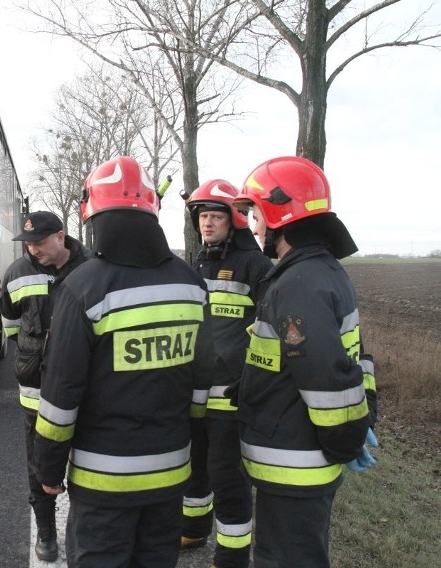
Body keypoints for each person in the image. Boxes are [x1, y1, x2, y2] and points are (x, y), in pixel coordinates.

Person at [33, 156, 214, 567]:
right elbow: (203, 379)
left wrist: (48, 468)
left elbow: (61, 396)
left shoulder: (84, 287)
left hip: (103, 482)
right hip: (170, 472)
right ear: (152, 210)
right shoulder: (191, 284)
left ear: (92, 213)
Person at [231, 156, 379, 567]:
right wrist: (248, 385)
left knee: (285, 559)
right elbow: (349, 356)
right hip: (301, 456)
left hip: (294, 461)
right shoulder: (323, 271)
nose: (254, 225)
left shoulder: (298, 284)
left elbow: (324, 375)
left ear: (279, 210)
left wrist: (346, 439)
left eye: (255, 213)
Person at [181, 180, 273, 568]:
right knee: (193, 462)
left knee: (226, 472)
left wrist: (248, 376)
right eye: (203, 216)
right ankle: (193, 527)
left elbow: (269, 328)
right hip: (195, 388)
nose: (208, 223)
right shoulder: (195, 263)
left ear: (233, 220)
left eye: (216, 216)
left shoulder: (257, 266)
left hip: (231, 391)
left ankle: (233, 554)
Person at [0, 210, 92, 562]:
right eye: (27, 244)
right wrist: (30, 358)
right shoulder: (17, 273)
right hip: (36, 392)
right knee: (39, 464)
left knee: (86, 463)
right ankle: (47, 534)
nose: (32, 250)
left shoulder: (91, 268)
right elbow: (10, 325)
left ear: (61, 236)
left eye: (38, 242)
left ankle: (84, 530)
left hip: (85, 392)